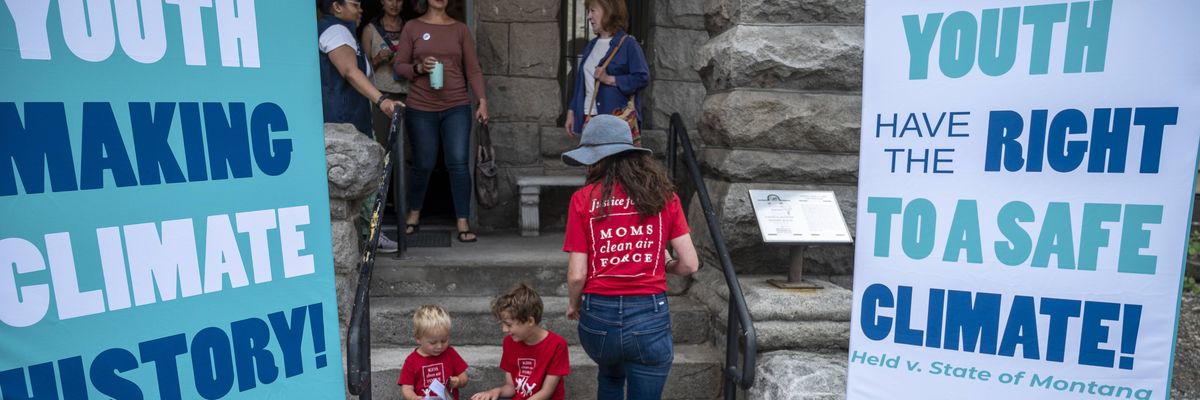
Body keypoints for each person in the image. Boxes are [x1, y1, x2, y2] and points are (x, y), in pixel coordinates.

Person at [561, 115, 699, 399]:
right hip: (649, 315)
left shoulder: (583, 199)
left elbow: (577, 274)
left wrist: (574, 305)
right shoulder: (664, 197)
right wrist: (667, 264)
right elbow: (690, 264)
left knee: (610, 378)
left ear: (598, 159)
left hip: (599, 317)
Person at [393, 0, 488, 243]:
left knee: (457, 163)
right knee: (423, 163)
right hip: (420, 106)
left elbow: (474, 68)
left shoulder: (460, 29)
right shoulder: (412, 27)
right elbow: (399, 66)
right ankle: (413, 214)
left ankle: (463, 221)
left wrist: (482, 100)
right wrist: (418, 68)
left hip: (456, 105)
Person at [319, 0, 403, 252]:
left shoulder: (343, 31)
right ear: (337, 7)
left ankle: (369, 233)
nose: (360, 9)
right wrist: (382, 100)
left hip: (351, 118)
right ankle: (370, 234)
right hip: (345, 120)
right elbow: (349, 71)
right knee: (364, 178)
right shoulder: (336, 31)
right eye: (355, 4)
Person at [563, 0, 649, 138]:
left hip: (615, 120)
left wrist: (609, 79)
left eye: (593, 11)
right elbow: (581, 83)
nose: (588, 17)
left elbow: (642, 78)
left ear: (608, 11)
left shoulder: (629, 44)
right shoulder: (591, 45)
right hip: (589, 117)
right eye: (588, 12)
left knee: (612, 160)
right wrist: (572, 111)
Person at [472, 283, 570, 400]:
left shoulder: (557, 345)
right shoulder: (509, 342)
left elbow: (546, 392)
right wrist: (495, 391)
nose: (504, 329)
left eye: (508, 324)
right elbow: (511, 387)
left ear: (530, 321)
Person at [361, 0, 409, 150]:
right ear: (381, 1)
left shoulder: (410, 28)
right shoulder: (370, 30)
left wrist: (403, 61)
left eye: (399, 0)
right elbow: (362, 70)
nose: (394, 4)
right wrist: (378, 59)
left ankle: (402, 175)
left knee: (407, 149)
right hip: (380, 96)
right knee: (381, 147)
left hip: (408, 94)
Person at [398, 304, 470, 400]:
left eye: (444, 341)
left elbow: (464, 376)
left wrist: (459, 381)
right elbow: (406, 387)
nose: (439, 346)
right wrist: (413, 397)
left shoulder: (450, 353)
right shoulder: (412, 361)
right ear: (418, 338)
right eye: (433, 342)